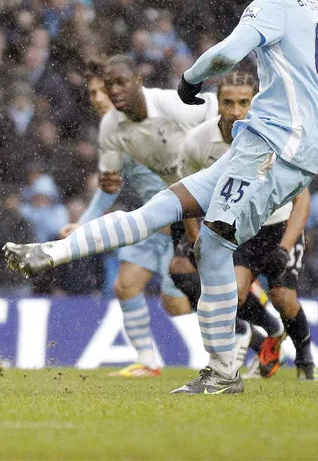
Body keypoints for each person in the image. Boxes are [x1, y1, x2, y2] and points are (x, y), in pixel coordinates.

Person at [4, 0, 318, 394]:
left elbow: (228, 52)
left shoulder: (270, 4)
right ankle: (50, 254)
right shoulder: (315, 11)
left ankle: (223, 372)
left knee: (212, 245)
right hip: (262, 147)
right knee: (162, 208)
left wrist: (190, 80)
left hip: (276, 148)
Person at [59, 64, 208, 378]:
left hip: (183, 220)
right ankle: (147, 362)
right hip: (149, 223)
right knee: (125, 286)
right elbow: (109, 187)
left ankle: (236, 340)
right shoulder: (112, 132)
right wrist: (84, 222)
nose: (99, 98)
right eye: (93, 93)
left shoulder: (156, 116)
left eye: (104, 90)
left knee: (176, 303)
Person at [172, 71, 317, 381]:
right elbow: (187, 196)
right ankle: (268, 332)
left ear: (255, 103)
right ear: (218, 103)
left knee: (284, 298)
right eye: (227, 102)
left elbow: (302, 201)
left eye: (243, 103)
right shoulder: (197, 142)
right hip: (238, 230)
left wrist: (284, 248)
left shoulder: (278, 138)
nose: (235, 111)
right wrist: (196, 241)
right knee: (232, 295)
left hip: (279, 227)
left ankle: (305, 357)